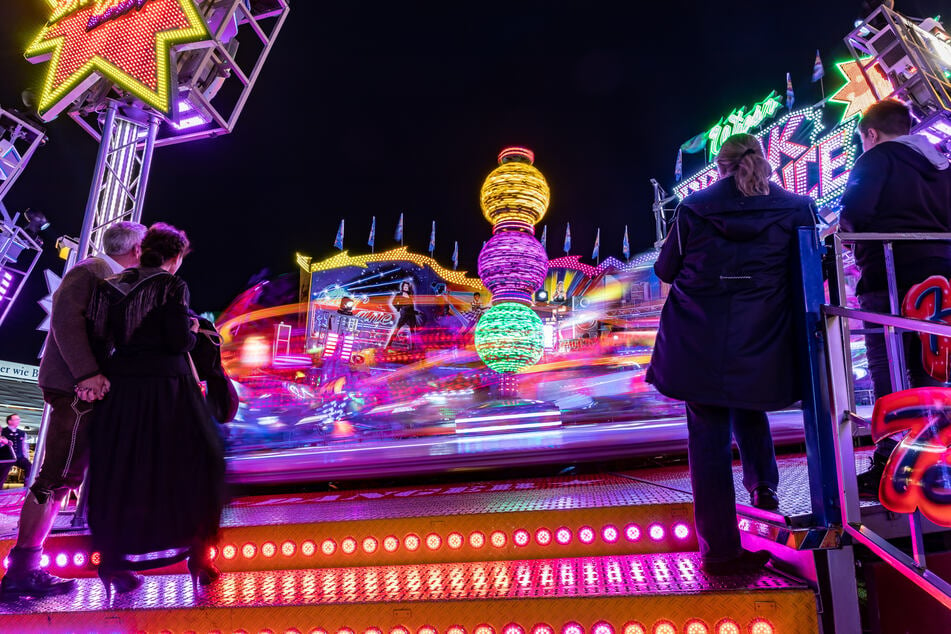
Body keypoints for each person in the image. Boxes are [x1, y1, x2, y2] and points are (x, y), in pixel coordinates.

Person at [646, 133, 817, 576]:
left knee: (708, 440)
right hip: (761, 337)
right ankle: (764, 488)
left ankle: (720, 551)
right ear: (763, 160)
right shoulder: (796, 209)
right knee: (748, 397)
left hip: (697, 339)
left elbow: (665, 269)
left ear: (719, 166)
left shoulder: (693, 208)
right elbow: (809, 273)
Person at [0, 221, 145, 599]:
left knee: (65, 479)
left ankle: (28, 568)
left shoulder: (107, 276)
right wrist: (88, 373)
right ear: (135, 248)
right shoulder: (91, 270)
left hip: (84, 388)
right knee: (56, 478)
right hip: (76, 388)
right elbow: (66, 324)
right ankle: (22, 570)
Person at [86, 223, 225, 599]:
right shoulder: (171, 285)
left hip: (122, 392)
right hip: (168, 390)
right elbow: (178, 340)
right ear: (176, 257)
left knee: (123, 471)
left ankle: (114, 565)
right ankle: (200, 558)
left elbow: (98, 339)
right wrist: (194, 330)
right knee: (196, 464)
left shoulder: (109, 286)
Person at [838, 99, 951, 498]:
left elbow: (853, 213)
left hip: (889, 280)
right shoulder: (942, 165)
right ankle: (937, 460)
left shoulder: (877, 158)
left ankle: (893, 465)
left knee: (890, 368)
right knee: (932, 367)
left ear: (870, 134)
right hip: (940, 281)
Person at [0, 414, 32, 486]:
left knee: (29, 466)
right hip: (6, 458)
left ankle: (27, 484)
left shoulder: (22, 433)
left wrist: (26, 457)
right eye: (16, 419)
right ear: (9, 421)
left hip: (19, 457)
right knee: (2, 476)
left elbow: (25, 446)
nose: (18, 421)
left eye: (19, 419)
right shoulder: (3, 431)